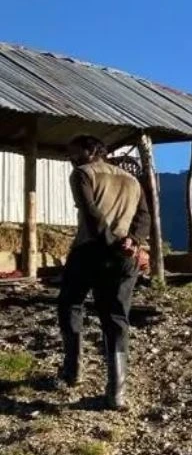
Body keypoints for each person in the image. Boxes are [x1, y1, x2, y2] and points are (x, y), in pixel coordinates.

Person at [59, 135, 150, 410]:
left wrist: (111, 243)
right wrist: (132, 243)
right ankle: (116, 394)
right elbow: (144, 217)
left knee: (69, 304)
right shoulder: (132, 180)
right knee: (116, 318)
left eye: (74, 152)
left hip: (91, 251)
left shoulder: (82, 174)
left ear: (90, 151)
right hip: (125, 257)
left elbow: (92, 216)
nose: (70, 157)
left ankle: (72, 370)